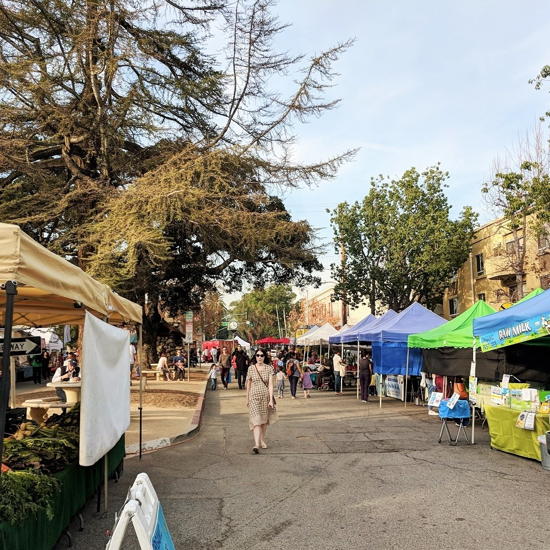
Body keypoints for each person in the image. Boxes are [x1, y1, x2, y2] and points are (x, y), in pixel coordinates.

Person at [247, 348, 277, 454]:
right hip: (254, 397)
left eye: (262, 355)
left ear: (265, 357)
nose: (259, 357)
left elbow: (270, 385)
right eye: (257, 355)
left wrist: (271, 400)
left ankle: (262, 440)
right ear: (255, 357)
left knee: (263, 421)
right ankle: (256, 444)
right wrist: (247, 398)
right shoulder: (251, 368)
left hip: (265, 398)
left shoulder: (269, 368)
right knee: (257, 421)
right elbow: (249, 384)